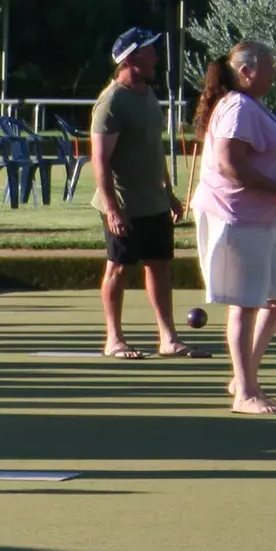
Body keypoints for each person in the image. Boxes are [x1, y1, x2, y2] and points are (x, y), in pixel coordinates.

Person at [193, 39, 276, 415]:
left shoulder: (253, 106)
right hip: (236, 216)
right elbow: (230, 164)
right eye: (269, 66)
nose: (274, 73)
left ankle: (244, 377)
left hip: (263, 219)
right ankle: (245, 393)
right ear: (246, 71)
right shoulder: (238, 107)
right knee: (244, 304)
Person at [91, 27, 191, 361]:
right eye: (150, 51)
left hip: (155, 202)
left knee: (160, 266)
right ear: (133, 57)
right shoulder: (111, 102)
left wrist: (170, 193)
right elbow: (100, 160)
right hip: (124, 204)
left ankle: (168, 338)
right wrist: (112, 209)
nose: (156, 57)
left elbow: (155, 150)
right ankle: (114, 339)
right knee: (118, 268)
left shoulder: (148, 95)